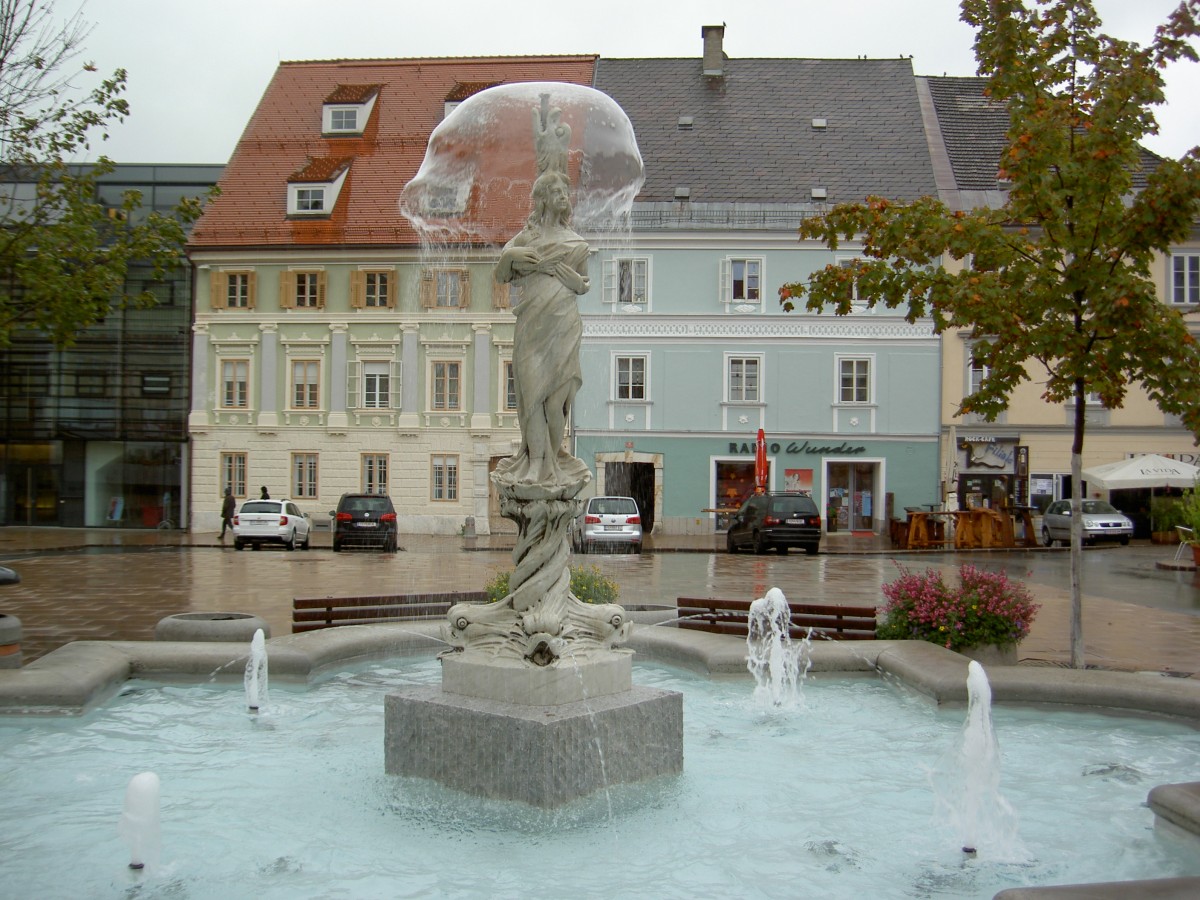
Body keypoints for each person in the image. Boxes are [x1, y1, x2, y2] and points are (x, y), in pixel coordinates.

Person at [493, 169, 590, 487]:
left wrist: (566, 275)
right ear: (544, 199)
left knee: (554, 401)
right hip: (532, 325)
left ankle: (554, 457)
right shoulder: (527, 239)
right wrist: (511, 255)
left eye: (566, 192)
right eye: (559, 192)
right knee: (532, 398)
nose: (565, 197)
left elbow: (583, 284)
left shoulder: (576, 242)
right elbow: (501, 274)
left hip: (563, 325)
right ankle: (537, 465)